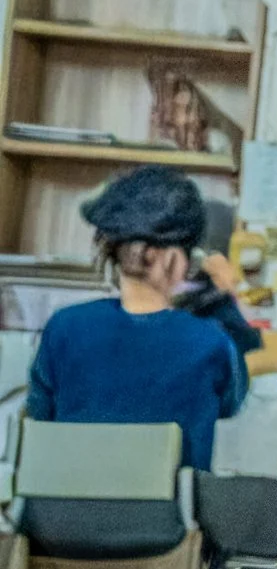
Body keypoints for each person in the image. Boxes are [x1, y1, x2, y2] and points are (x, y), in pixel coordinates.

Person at [30, 165, 251, 471]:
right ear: (174, 258)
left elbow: (40, 416)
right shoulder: (212, 342)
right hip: (167, 516)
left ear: (112, 252)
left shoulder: (63, 327)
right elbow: (232, 404)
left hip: (60, 513)